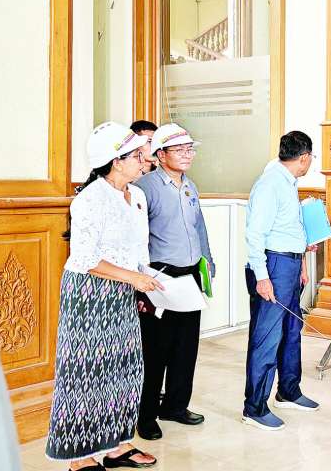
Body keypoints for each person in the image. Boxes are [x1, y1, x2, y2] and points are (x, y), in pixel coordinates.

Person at [46, 122, 163, 470]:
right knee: (85, 371)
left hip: (124, 291)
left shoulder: (137, 196)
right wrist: (134, 278)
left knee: (124, 368)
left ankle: (116, 444)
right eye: (137, 156)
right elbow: (85, 258)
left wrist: (146, 281)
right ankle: (79, 458)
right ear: (116, 161)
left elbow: (139, 249)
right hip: (89, 293)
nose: (145, 160)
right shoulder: (90, 199)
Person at [132, 123, 213, 440]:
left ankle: (176, 406)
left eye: (190, 149)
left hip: (190, 276)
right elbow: (137, 237)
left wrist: (208, 261)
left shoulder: (191, 186)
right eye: (179, 150)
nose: (187, 155)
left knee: (186, 347)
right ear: (160, 154)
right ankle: (146, 415)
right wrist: (140, 278)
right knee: (156, 351)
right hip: (159, 278)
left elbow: (199, 228)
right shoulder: (145, 187)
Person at [241, 131, 321, 431]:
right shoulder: (270, 183)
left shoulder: (288, 182)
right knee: (267, 337)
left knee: (291, 330)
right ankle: (254, 407)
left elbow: (286, 227)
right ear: (305, 158)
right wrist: (263, 277)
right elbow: (255, 234)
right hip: (273, 265)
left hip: (289, 264)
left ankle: (288, 390)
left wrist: (300, 261)